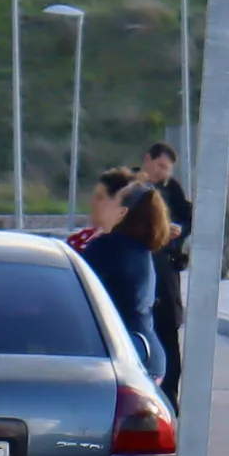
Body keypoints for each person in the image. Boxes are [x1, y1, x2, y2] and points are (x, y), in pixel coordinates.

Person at [74, 169, 168, 379]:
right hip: (146, 352)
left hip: (125, 356)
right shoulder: (140, 249)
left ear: (122, 212)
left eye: (113, 201)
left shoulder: (108, 247)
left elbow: (71, 288)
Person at [135, 139, 192, 395]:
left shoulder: (171, 189)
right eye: (160, 166)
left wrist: (179, 230)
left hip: (166, 268)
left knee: (169, 331)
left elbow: (188, 217)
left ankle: (170, 395)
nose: (163, 173)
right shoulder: (131, 188)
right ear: (147, 160)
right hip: (139, 266)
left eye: (168, 168)